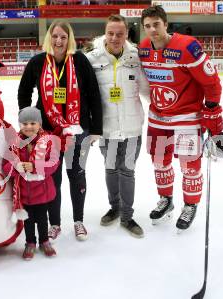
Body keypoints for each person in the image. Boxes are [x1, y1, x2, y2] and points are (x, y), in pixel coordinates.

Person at [139, 5, 223, 231]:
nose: (152, 30)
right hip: (158, 117)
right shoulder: (143, 48)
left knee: (189, 166)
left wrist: (212, 107)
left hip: (187, 117)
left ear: (165, 24)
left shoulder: (188, 46)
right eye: (147, 26)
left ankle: (190, 204)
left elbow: (210, 81)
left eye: (156, 24)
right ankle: (166, 200)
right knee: (159, 162)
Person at [18, 20, 103, 241]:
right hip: (47, 132)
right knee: (52, 178)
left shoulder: (79, 61)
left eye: (63, 37)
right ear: (49, 38)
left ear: (69, 39)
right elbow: (24, 92)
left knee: (76, 175)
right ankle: (54, 223)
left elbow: (94, 94)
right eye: (55, 36)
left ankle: (78, 221)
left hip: (78, 129)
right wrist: (28, 122)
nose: (59, 41)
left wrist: (96, 129)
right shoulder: (38, 62)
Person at [85, 14, 149, 238]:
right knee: (111, 169)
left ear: (127, 35)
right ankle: (115, 207)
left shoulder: (135, 57)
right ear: (105, 32)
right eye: (111, 33)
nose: (114, 37)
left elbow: (147, 89)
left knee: (127, 172)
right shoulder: (92, 59)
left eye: (120, 34)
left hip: (132, 128)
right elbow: (86, 95)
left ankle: (127, 217)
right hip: (107, 129)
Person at [3, 107, 60, 260]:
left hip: (42, 191)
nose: (28, 127)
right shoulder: (14, 143)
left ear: (40, 124)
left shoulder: (48, 141)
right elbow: (6, 165)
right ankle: (30, 243)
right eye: (24, 123)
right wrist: (16, 167)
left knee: (42, 218)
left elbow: (54, 163)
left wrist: (35, 167)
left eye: (33, 123)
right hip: (24, 192)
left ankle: (44, 241)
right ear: (20, 125)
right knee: (28, 221)